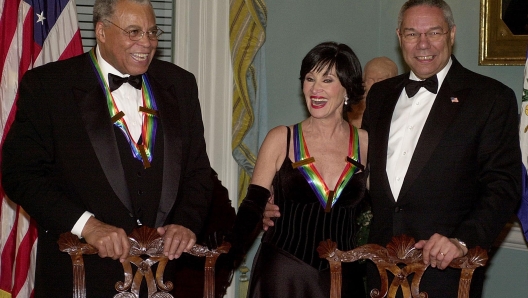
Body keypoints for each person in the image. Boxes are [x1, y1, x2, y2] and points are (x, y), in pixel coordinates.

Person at [1, 0, 212, 296]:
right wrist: (88, 225)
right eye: (134, 31)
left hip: (165, 278)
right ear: (101, 31)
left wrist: (185, 223)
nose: (147, 43)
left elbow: (198, 172)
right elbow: (20, 175)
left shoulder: (180, 84)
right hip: (79, 276)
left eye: (152, 32)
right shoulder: (49, 86)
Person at [362, 0, 521, 297]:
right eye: (412, 34)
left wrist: (461, 241)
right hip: (379, 271)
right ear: (399, 37)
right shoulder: (380, 96)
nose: (423, 44)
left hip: (446, 272)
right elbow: (361, 173)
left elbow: (504, 185)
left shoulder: (491, 98)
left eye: (433, 32)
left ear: (451, 34)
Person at [230, 41, 368, 297]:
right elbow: (251, 207)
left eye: (327, 80)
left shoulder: (367, 143)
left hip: (343, 280)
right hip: (283, 276)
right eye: (309, 78)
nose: (315, 89)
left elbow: (388, 206)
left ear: (347, 88)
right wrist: (223, 261)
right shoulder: (280, 138)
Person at [348, 56, 398, 127]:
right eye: (370, 79)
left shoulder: (400, 104)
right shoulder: (355, 106)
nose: (375, 84)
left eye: (380, 79)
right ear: (364, 80)